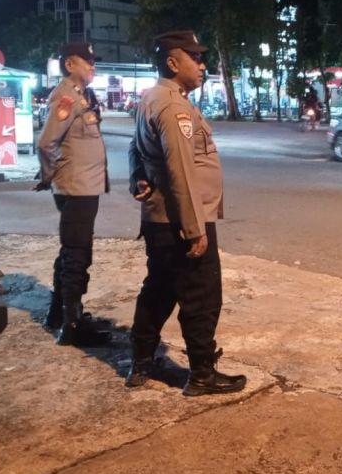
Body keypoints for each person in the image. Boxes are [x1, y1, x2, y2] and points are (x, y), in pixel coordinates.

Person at [126, 30, 247, 396]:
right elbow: (181, 169)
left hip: (160, 218)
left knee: (159, 290)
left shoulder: (152, 97)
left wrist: (137, 176)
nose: (201, 64)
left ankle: (141, 363)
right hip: (182, 219)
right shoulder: (173, 107)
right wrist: (194, 228)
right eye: (194, 57)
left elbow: (135, 147)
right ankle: (202, 375)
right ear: (172, 62)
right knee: (202, 296)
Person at [35, 42, 111, 347]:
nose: (93, 66)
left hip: (84, 185)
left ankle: (59, 313)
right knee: (78, 253)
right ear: (70, 64)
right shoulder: (66, 97)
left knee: (72, 250)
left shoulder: (81, 95)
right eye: (87, 61)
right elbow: (46, 143)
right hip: (77, 186)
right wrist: (50, 177)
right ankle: (72, 325)